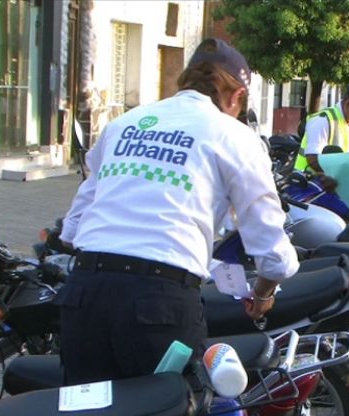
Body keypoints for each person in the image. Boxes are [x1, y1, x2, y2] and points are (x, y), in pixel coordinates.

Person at [56, 38, 299, 385]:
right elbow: (271, 249)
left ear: (185, 81)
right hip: (158, 303)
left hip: (85, 293)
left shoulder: (127, 122)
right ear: (236, 96)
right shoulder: (234, 135)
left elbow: (73, 225)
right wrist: (263, 294)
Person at [294, 81, 349, 172]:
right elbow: (313, 160)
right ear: (348, 103)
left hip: (339, 183)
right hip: (308, 182)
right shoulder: (323, 121)